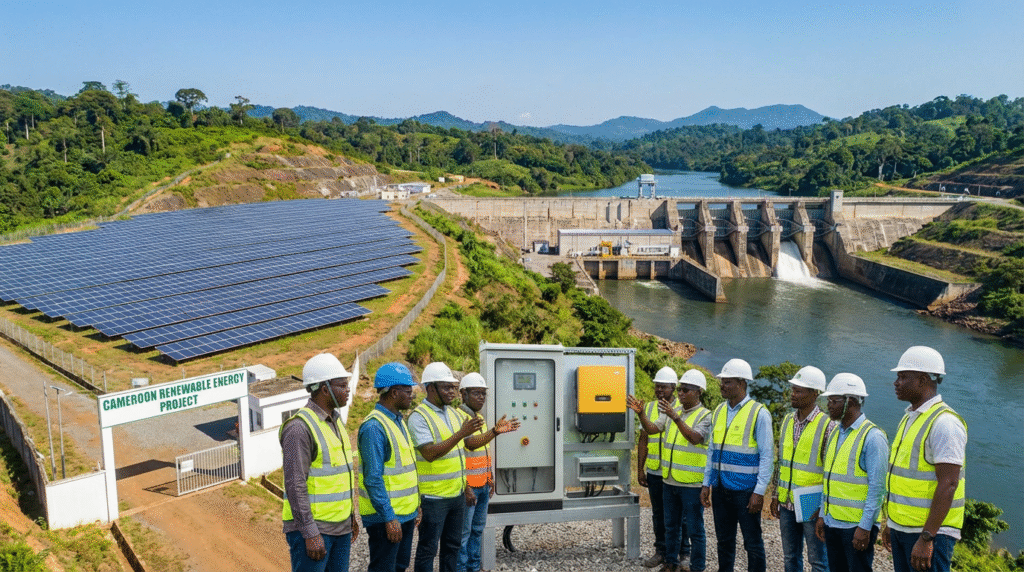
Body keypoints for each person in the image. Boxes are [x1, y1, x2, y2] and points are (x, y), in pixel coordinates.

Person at [882, 346, 967, 572]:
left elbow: (949, 483)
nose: (896, 382)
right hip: (905, 528)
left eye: (902, 377)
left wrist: (927, 537)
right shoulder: (911, 417)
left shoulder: (944, 423)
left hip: (929, 534)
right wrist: (892, 523)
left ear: (922, 380)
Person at [281, 353, 358, 572]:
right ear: (324, 389)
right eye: (343, 385)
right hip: (315, 531)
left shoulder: (335, 421)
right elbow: (295, 484)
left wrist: (350, 517)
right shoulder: (299, 428)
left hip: (339, 528)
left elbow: (340, 476)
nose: (348, 389)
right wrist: (309, 532)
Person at [408, 362, 484, 572]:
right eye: (446, 387)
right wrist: (460, 433)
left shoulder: (453, 413)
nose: (452, 392)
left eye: (453, 387)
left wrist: (494, 431)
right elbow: (430, 453)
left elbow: (466, 446)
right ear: (430, 388)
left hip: (456, 495)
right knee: (428, 549)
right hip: (433, 499)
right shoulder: (419, 417)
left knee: (452, 547)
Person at [700, 358, 773, 572]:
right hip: (721, 489)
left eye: (727, 382)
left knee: (752, 543)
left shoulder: (759, 413)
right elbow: (712, 451)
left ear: (742, 383)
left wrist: (759, 492)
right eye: (722, 381)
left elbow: (767, 456)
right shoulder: (719, 411)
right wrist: (707, 484)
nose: (722, 385)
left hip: (746, 491)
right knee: (724, 541)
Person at [816, 373, 889, 572]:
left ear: (851, 401)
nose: (829, 405)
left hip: (856, 528)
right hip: (833, 523)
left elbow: (878, 489)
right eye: (828, 400)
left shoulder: (873, 437)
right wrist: (823, 515)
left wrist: (865, 527)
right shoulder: (835, 433)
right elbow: (829, 480)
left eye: (834, 400)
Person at [358, 362, 421, 572]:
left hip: (405, 514)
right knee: (384, 568)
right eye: (408, 391)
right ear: (394, 392)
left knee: (400, 566)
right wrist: (389, 517)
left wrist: (415, 505)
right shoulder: (374, 427)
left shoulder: (398, 421)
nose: (412, 395)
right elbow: (372, 479)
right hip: (387, 518)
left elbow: (407, 469)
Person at [454, 372, 520, 572]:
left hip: (482, 485)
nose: (481, 397)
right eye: (476, 393)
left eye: (484, 394)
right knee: (464, 534)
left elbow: (483, 450)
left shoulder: (479, 417)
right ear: (463, 394)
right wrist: (495, 432)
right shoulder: (458, 417)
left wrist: (489, 477)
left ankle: (473, 568)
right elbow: (470, 444)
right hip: (468, 488)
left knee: (477, 532)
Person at [771, 365, 831, 572]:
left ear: (815, 394)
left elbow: (830, 473)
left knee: (818, 561)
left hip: (811, 503)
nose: (793, 394)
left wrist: (823, 509)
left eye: (799, 391)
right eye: (793, 390)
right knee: (790, 557)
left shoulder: (827, 425)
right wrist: (775, 495)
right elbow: (781, 462)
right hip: (787, 501)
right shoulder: (788, 420)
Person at [627, 366, 682, 569]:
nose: (660, 390)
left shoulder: (681, 408)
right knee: (658, 513)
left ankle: (682, 553)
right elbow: (643, 440)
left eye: (664, 387)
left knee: (679, 515)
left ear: (673, 388)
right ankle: (661, 551)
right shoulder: (649, 407)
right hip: (655, 471)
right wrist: (640, 470)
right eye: (657, 387)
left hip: (674, 472)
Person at [659, 369, 714, 572]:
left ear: (698, 392)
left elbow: (695, 438)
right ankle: (670, 563)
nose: (680, 394)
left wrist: (675, 418)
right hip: (670, 480)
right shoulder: (676, 412)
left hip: (691, 484)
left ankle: (697, 567)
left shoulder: (706, 416)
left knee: (695, 530)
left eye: (685, 390)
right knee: (671, 526)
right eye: (680, 390)